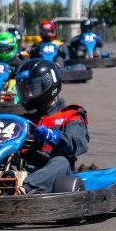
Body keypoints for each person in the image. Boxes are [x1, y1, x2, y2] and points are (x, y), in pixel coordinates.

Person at [13, 59, 90, 194]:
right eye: (23, 90)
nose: (27, 94)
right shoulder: (23, 120)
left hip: (51, 170)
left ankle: (24, 189)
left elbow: (76, 144)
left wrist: (53, 135)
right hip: (22, 167)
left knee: (61, 161)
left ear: (48, 85)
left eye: (31, 89)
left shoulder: (70, 115)